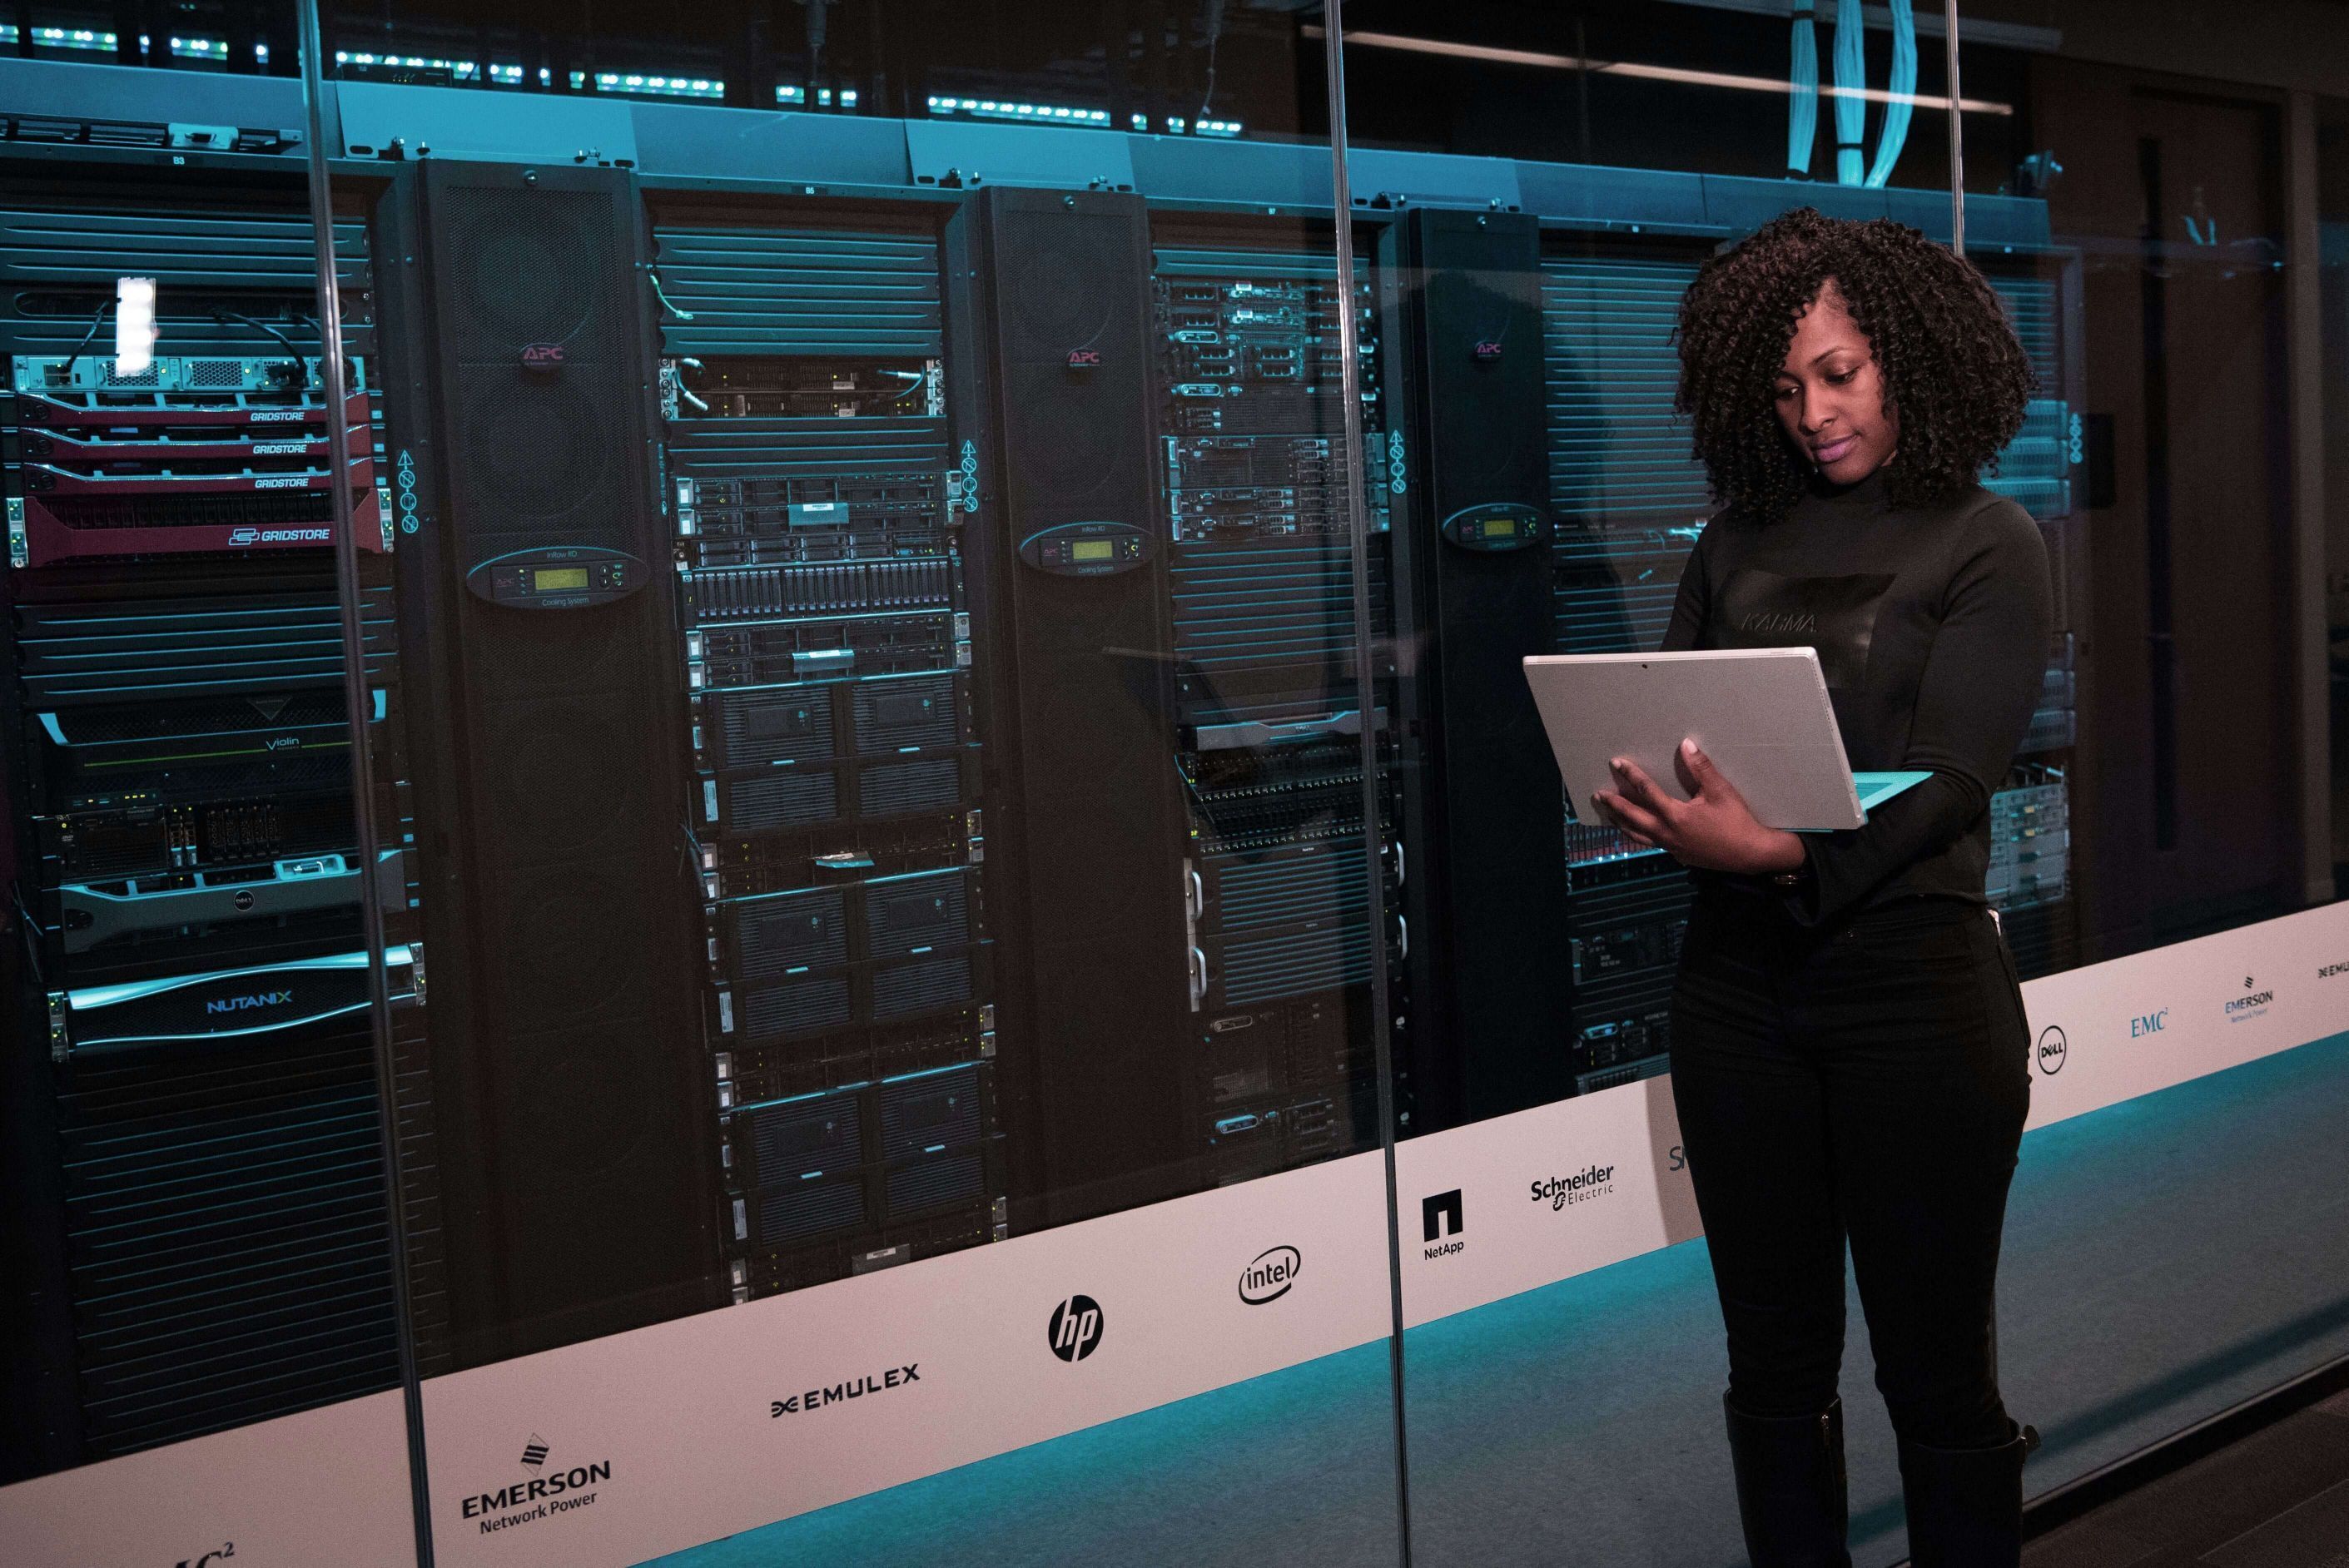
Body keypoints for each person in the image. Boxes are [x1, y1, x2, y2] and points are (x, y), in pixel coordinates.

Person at [1591, 206, 2050, 1568]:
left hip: (1914, 991)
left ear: (1908, 358)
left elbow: (1954, 778)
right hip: (1736, 994)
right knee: (1771, 1370)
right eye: (1785, 387)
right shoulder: (1734, 535)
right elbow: (1661, 713)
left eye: (1838, 374)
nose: (1811, 412)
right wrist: (1651, 799)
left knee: (1934, 1373)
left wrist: (1783, 852)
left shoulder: (1986, 538)